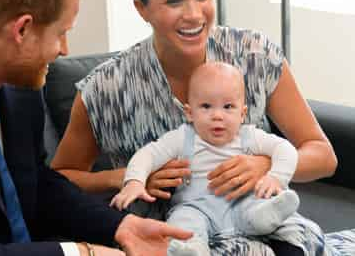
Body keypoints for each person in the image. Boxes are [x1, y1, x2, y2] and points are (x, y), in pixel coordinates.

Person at [51, 0, 337, 254]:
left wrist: (265, 165)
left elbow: (323, 156)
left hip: (262, 227)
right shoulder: (104, 88)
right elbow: (58, 182)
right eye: (174, 1)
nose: (194, 13)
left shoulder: (255, 55)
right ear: (141, 8)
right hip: (171, 241)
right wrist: (124, 178)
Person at [0, 0, 193, 256]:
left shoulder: (22, 91)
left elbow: (38, 185)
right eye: (61, 33)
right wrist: (80, 253)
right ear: (22, 29)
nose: (64, 49)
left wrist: (120, 226)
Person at [110, 62, 301, 255]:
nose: (217, 115)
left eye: (228, 107)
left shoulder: (249, 137)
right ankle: (191, 248)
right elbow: (147, 154)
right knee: (183, 222)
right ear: (190, 113)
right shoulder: (183, 138)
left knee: (258, 204)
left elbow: (285, 149)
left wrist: (276, 177)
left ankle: (265, 218)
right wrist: (134, 182)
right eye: (206, 106)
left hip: (242, 202)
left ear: (242, 114)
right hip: (196, 207)